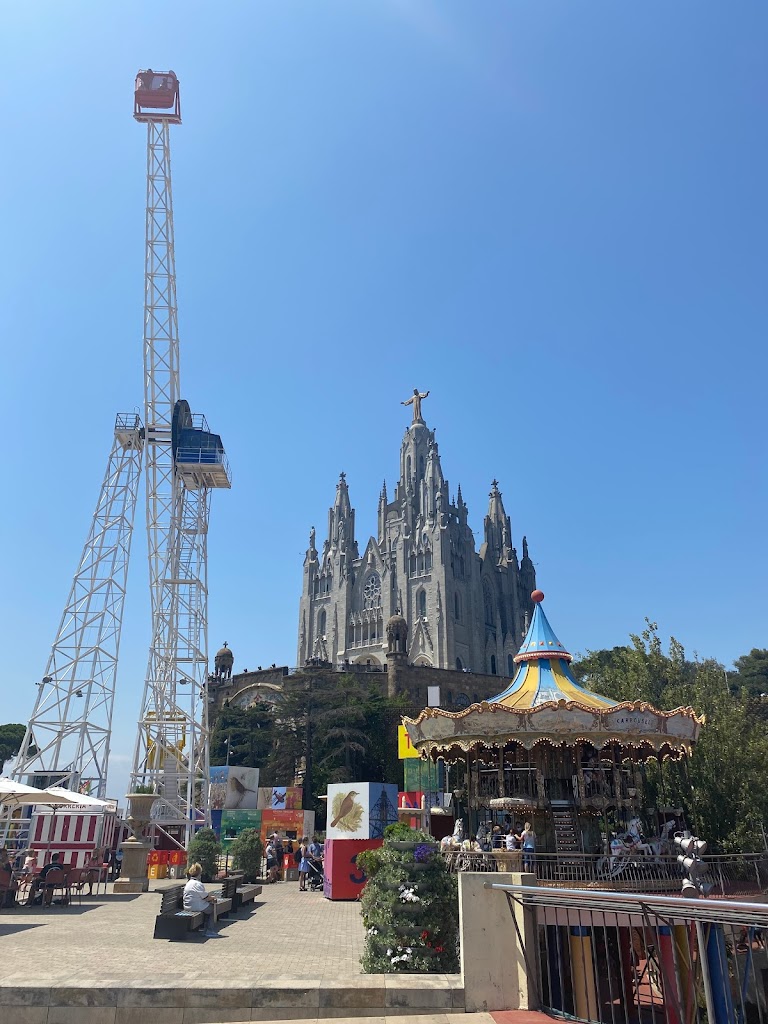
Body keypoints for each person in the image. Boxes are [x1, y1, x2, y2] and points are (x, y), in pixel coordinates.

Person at [183, 863, 220, 938]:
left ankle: (205, 929)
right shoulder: (198, 884)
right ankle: (209, 931)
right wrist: (213, 898)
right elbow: (205, 897)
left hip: (187, 906)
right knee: (211, 909)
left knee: (207, 908)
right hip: (195, 906)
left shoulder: (189, 883)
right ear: (199, 873)